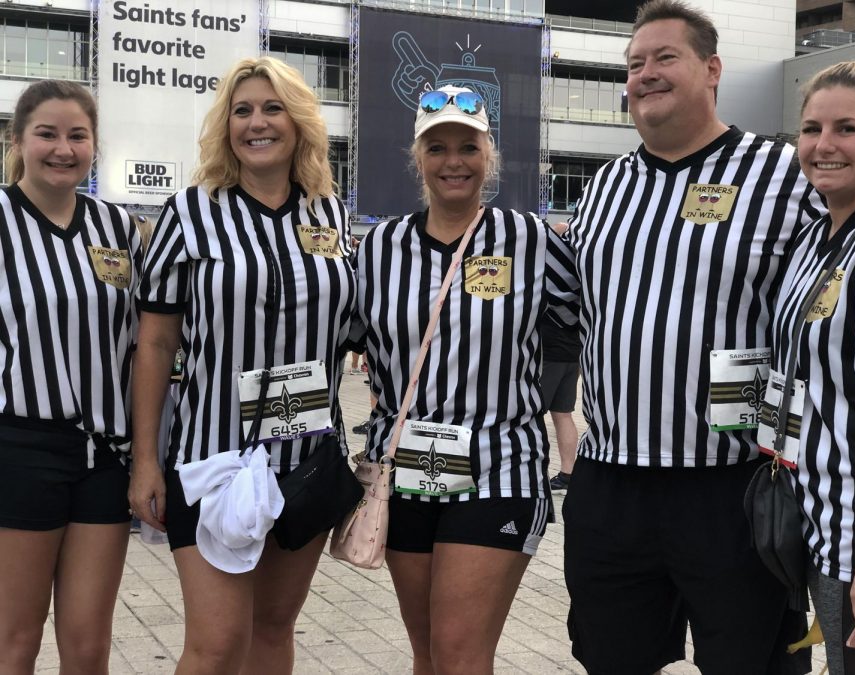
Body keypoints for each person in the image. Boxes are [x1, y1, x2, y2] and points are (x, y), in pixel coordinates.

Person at [563, 1, 823, 673]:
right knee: (609, 658)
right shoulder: (603, 187)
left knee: (753, 662)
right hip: (612, 479)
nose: (645, 73)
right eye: (634, 63)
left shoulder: (784, 175)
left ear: (712, 69)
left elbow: (826, 316)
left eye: (664, 57)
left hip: (733, 484)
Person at [129, 57, 354, 675]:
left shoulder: (327, 215)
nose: (257, 123)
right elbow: (154, 345)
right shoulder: (189, 213)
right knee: (216, 643)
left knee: (274, 631)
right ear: (226, 125)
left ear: (299, 121)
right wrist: (145, 459)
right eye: (243, 110)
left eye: (273, 108)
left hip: (305, 458)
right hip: (212, 461)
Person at [355, 84, 579, 673]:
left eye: (467, 146)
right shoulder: (379, 246)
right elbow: (336, 333)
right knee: (428, 652)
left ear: (490, 155)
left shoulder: (531, 240)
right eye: (437, 148)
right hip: (405, 471)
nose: (453, 161)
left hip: (499, 467)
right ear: (418, 158)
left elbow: (595, 317)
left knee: (459, 653)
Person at [0, 80, 142, 673]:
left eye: (77, 136)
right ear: (16, 141)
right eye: (47, 134)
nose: (63, 148)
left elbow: (146, 341)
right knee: (15, 641)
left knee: (87, 647)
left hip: (105, 455)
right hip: (22, 449)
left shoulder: (120, 228)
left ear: (94, 146)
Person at [769, 59, 855, 674]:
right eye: (811, 129)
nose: (823, 146)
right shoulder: (820, 239)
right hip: (825, 527)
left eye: (847, 128)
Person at [540, 314, 581, 490]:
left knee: (532, 415)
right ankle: (567, 474)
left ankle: (535, 473)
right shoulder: (582, 286)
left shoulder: (546, 286)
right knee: (563, 415)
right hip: (573, 353)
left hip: (548, 355)